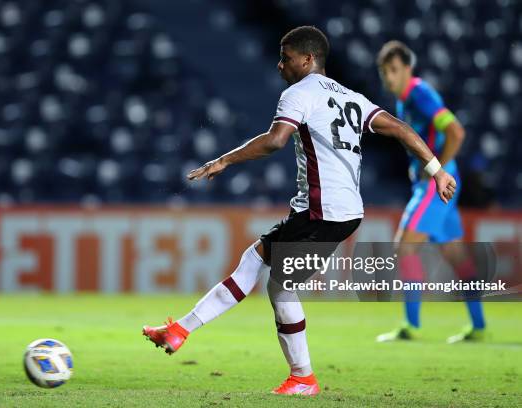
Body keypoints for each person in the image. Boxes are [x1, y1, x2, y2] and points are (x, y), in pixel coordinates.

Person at [142, 27, 457, 396]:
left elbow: (276, 140)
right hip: (331, 210)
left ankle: (303, 378)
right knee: (254, 260)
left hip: (325, 212)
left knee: (281, 288)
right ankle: (180, 330)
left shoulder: (298, 93)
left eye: (286, 57)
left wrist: (224, 160)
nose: (279, 64)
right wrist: (436, 170)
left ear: (307, 59)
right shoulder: (351, 97)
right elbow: (401, 128)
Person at [375, 41, 486, 344]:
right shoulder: (403, 101)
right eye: (385, 72)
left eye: (394, 70)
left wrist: (439, 171)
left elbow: (456, 131)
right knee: (456, 255)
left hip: (433, 185)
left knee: (404, 247)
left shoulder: (419, 95)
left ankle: (412, 326)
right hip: (441, 181)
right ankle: (479, 326)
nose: (389, 78)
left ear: (408, 69)